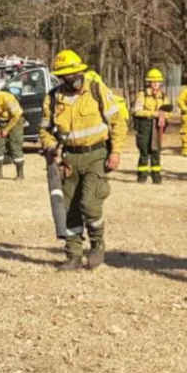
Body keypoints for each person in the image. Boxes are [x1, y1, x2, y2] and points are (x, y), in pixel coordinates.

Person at [40, 49, 127, 271]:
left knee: (89, 203)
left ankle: (97, 243)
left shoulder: (97, 90)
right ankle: (73, 255)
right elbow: (45, 130)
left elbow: (117, 121)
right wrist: (50, 146)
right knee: (69, 208)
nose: (72, 78)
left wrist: (115, 152)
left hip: (95, 155)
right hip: (69, 159)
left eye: (75, 73)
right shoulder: (53, 98)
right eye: (66, 75)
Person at [132, 68, 169, 184]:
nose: (155, 84)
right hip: (145, 125)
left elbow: (168, 111)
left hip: (158, 126)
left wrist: (164, 116)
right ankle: (142, 176)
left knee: (156, 151)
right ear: (148, 82)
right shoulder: (142, 95)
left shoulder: (163, 96)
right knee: (144, 151)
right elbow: (137, 111)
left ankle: (156, 176)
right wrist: (153, 114)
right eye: (153, 82)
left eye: (157, 82)